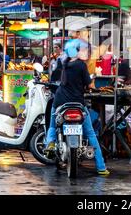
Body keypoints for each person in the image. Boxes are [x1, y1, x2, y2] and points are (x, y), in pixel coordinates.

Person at [44, 39, 109, 175]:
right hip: (77, 103)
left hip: (60, 102)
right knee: (90, 134)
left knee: (51, 125)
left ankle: (50, 143)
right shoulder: (81, 65)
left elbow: (53, 79)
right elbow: (89, 85)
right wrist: (94, 83)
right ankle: (101, 167)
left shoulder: (62, 63)